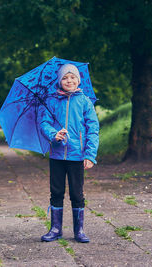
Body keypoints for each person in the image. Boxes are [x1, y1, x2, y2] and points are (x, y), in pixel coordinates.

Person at [39, 63, 99, 243]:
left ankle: (79, 230)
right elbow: (44, 123)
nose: (69, 80)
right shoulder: (51, 101)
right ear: (59, 81)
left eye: (72, 77)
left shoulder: (84, 101)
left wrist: (90, 154)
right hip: (57, 155)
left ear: (78, 80)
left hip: (77, 155)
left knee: (77, 193)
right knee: (56, 191)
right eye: (65, 78)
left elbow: (93, 128)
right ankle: (55, 228)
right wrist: (53, 134)